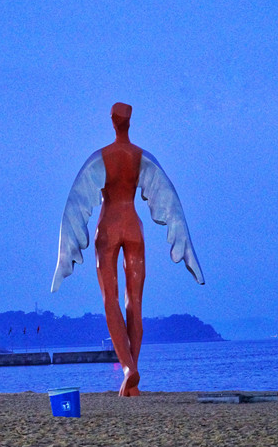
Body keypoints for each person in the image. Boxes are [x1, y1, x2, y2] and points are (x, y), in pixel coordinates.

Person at [52, 102, 204, 396]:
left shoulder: (102, 158)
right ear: (130, 122)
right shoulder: (142, 158)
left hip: (109, 227)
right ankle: (132, 379)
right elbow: (170, 200)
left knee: (110, 299)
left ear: (112, 121)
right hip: (134, 227)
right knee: (135, 302)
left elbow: (76, 204)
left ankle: (127, 369)